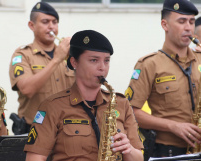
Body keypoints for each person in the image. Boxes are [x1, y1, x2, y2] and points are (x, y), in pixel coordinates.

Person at [24, 30, 144, 161]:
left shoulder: (121, 103)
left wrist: (128, 149)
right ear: (74, 62)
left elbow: (139, 157)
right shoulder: (52, 106)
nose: (102, 67)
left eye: (107, 61)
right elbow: (34, 158)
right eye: (94, 60)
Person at [125, 0, 201, 158]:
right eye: (181, 21)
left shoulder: (200, 59)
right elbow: (130, 110)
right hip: (167, 151)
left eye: (191, 22)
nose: (188, 27)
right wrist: (173, 126)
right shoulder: (149, 64)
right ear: (164, 25)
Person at [9, 2, 75, 134]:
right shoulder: (22, 55)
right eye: (45, 22)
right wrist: (56, 60)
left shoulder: (69, 55)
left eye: (55, 22)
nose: (51, 27)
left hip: (66, 129)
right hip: (35, 130)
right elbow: (27, 89)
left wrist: (79, 56)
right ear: (31, 25)